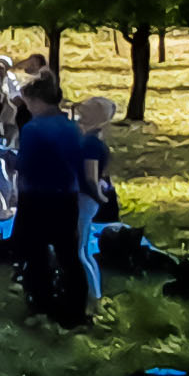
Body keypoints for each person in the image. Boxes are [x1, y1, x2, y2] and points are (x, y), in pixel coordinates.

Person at [12, 75, 89, 326]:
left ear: (38, 101)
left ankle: (41, 306)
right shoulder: (72, 127)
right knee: (69, 254)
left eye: (30, 103)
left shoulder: (33, 129)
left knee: (35, 253)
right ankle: (75, 310)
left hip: (36, 196)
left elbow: (25, 165)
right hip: (67, 196)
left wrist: (11, 160)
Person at [76, 96, 117, 307]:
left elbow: (91, 177)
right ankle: (96, 293)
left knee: (79, 251)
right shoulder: (97, 139)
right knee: (84, 249)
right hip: (89, 199)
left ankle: (93, 297)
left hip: (84, 198)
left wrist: (100, 198)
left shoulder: (90, 142)